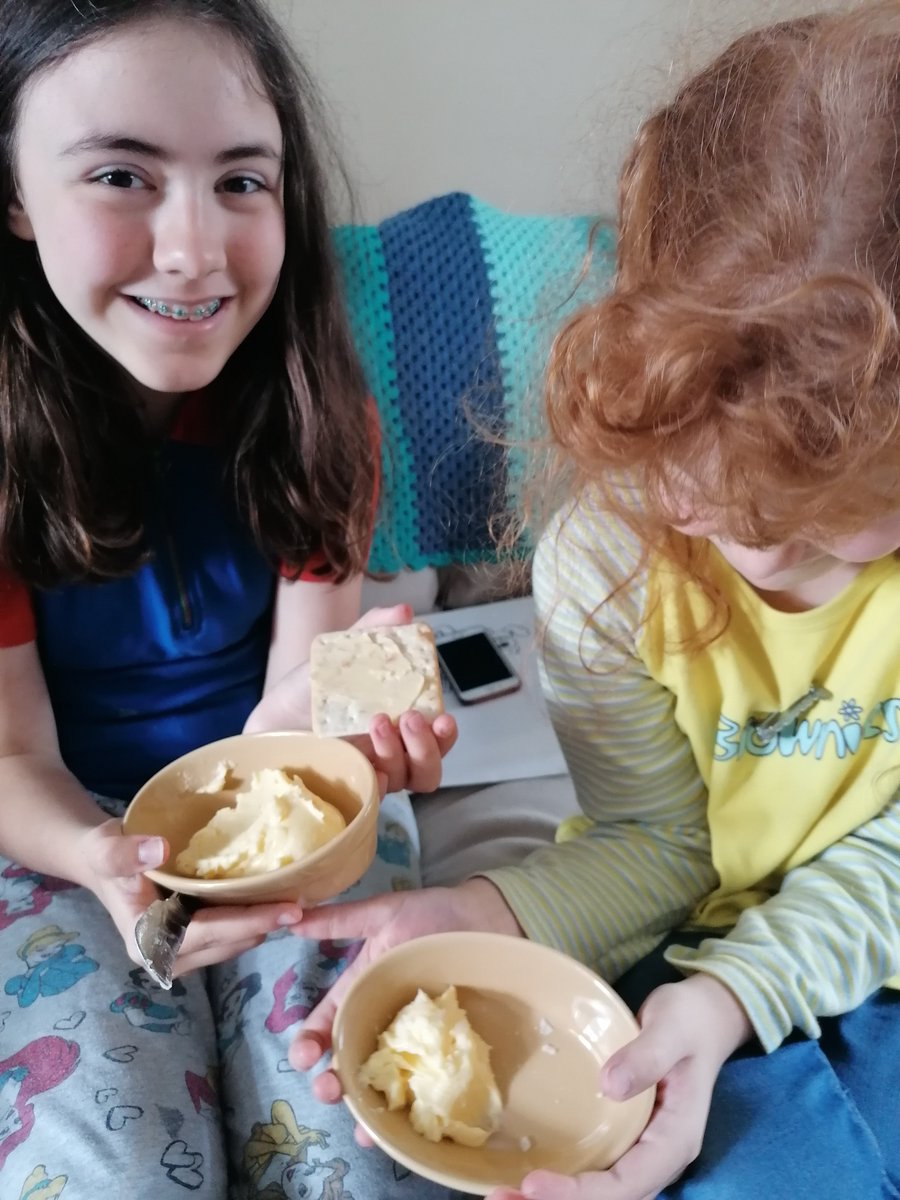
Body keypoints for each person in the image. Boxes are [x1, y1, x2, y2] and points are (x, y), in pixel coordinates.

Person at [291, 6, 900, 1199]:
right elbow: (659, 844)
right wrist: (485, 909)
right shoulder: (608, 560)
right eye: (703, 492)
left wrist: (741, 992)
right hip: (708, 950)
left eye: (825, 521)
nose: (754, 551)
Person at [0, 1, 461, 1196]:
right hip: (57, 827)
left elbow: (298, 693)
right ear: (13, 192)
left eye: (242, 182)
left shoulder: (317, 414)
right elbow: (11, 751)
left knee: (353, 1136)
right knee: (109, 1158)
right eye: (121, 176)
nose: (195, 251)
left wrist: (333, 750)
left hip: (278, 784)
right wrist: (105, 860)